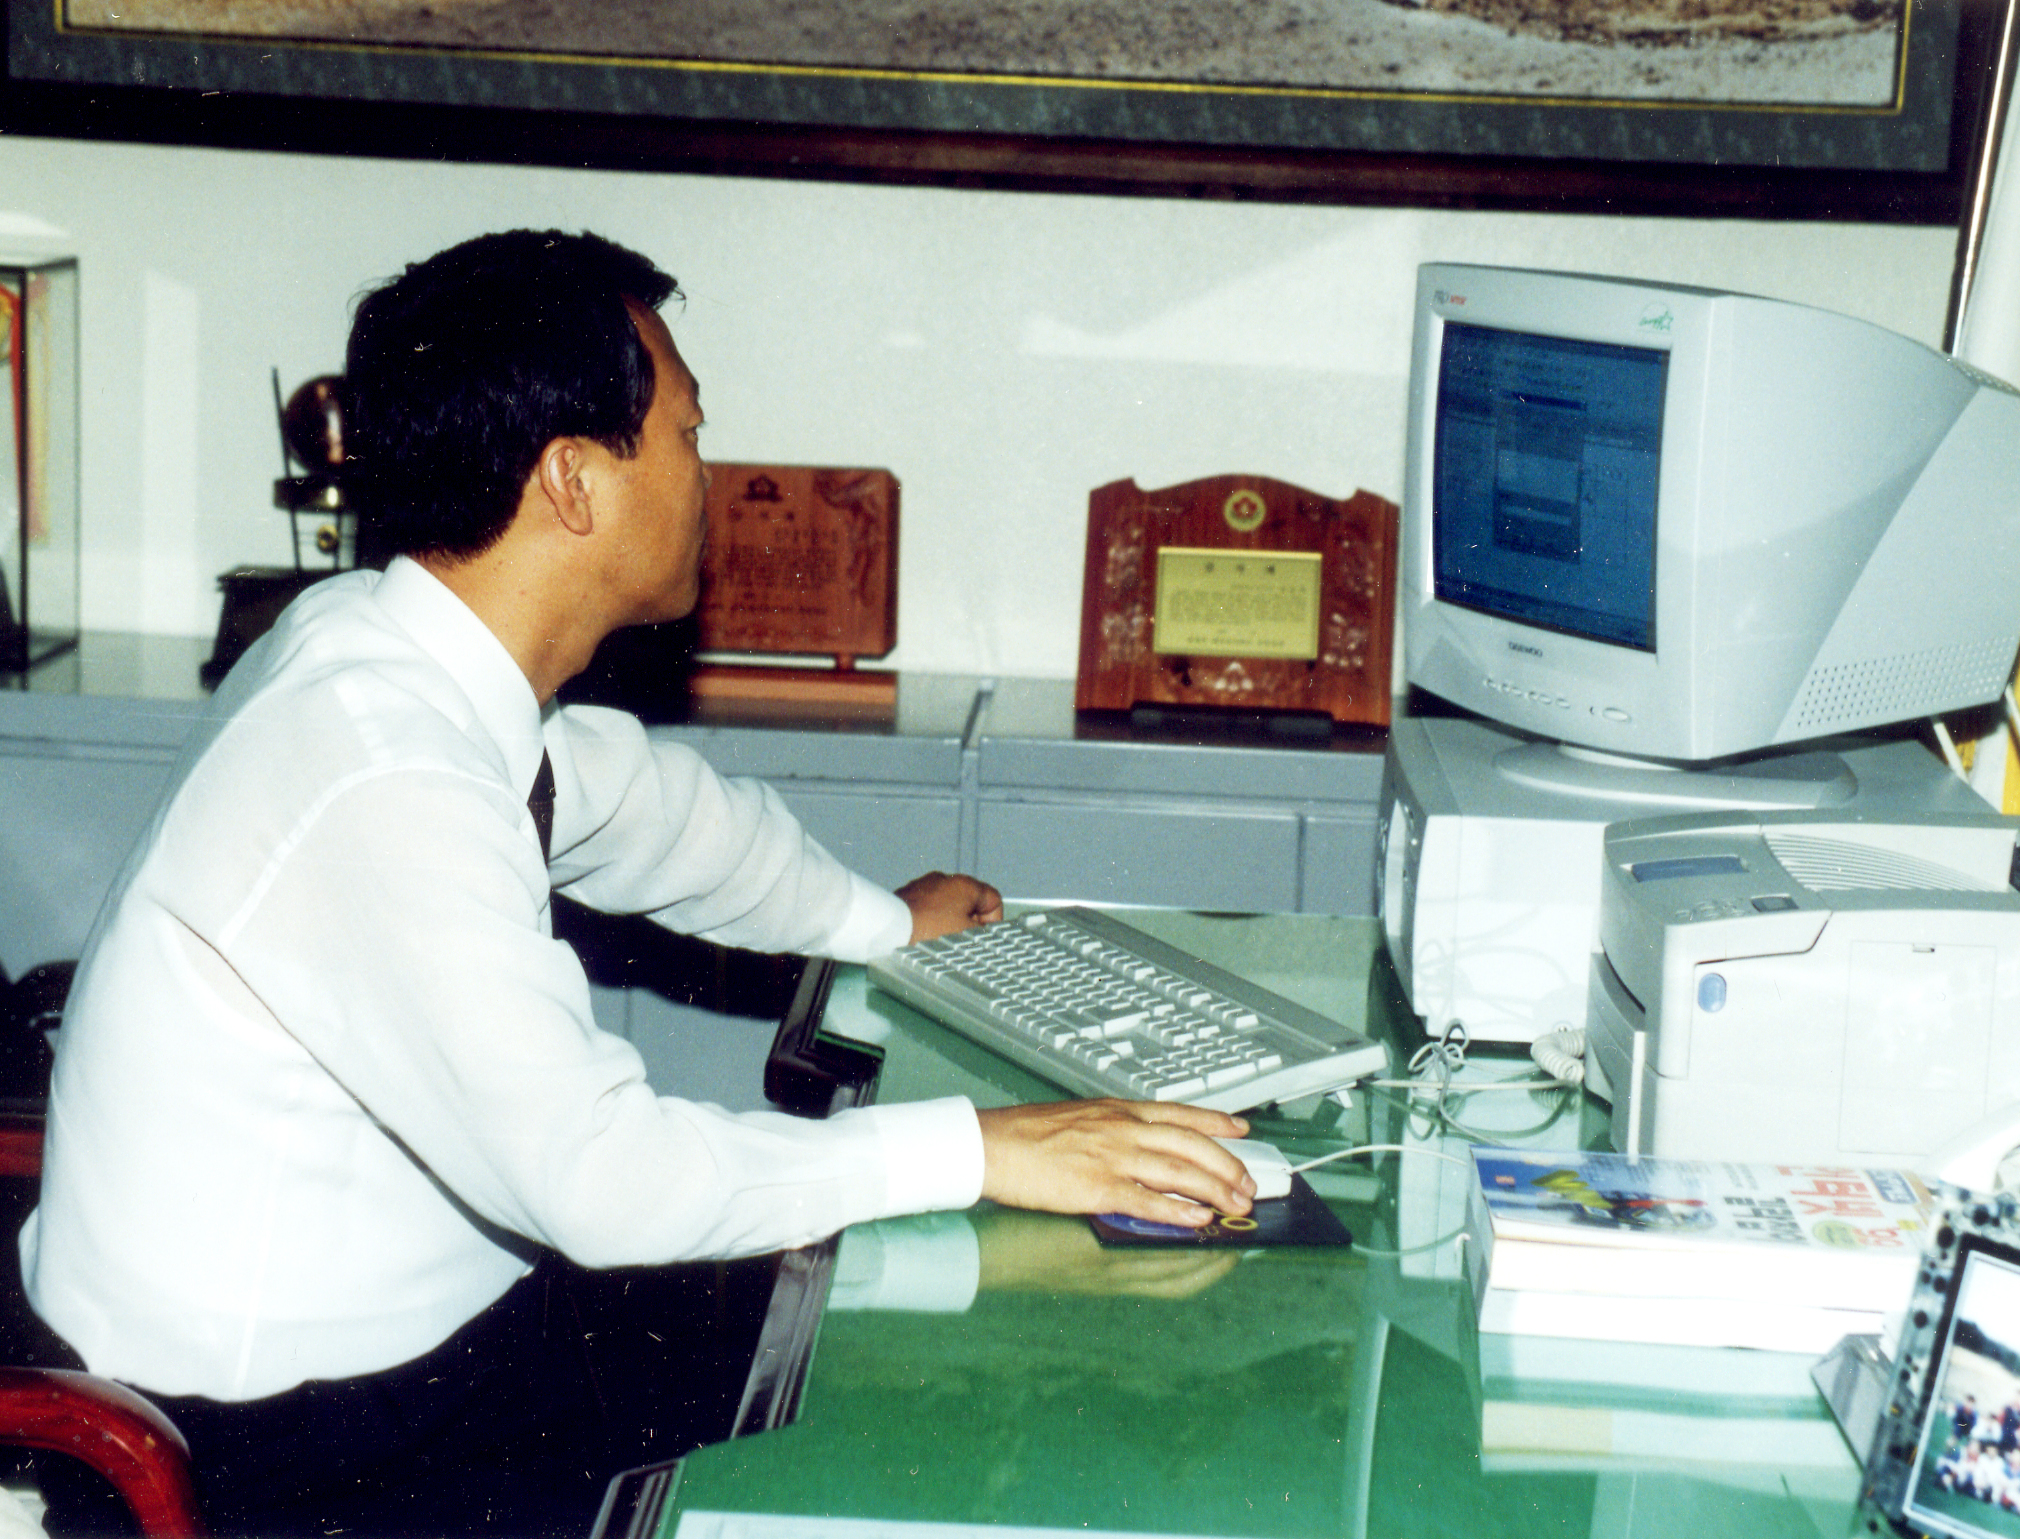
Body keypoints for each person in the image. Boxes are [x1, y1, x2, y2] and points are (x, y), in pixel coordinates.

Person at [18, 230, 1258, 1535]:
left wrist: (880, 925)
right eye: (685, 433)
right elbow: (602, 1180)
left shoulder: (386, 650)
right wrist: (982, 1148)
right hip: (259, 1460)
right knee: (901, 1436)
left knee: (861, 1370)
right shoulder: (381, 772)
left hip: (423, 1369)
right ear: (573, 479)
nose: (704, 475)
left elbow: (638, 807)